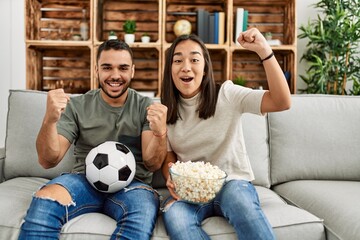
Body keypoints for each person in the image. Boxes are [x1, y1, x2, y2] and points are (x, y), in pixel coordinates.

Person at [19, 39, 168, 240]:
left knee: (142, 215)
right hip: (84, 181)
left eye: (123, 68)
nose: (115, 75)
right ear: (96, 70)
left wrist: (160, 133)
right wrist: (49, 120)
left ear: (132, 71)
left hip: (133, 186)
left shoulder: (144, 106)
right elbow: (48, 160)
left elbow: (152, 164)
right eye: (107, 67)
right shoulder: (78, 105)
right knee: (45, 200)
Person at [160, 28, 291, 240]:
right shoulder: (165, 109)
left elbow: (281, 102)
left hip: (232, 184)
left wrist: (265, 52)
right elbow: (169, 155)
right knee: (174, 216)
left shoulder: (227, 94)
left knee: (241, 202)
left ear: (204, 69)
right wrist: (171, 175)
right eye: (177, 61)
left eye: (194, 60)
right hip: (191, 190)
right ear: (170, 69)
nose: (186, 67)